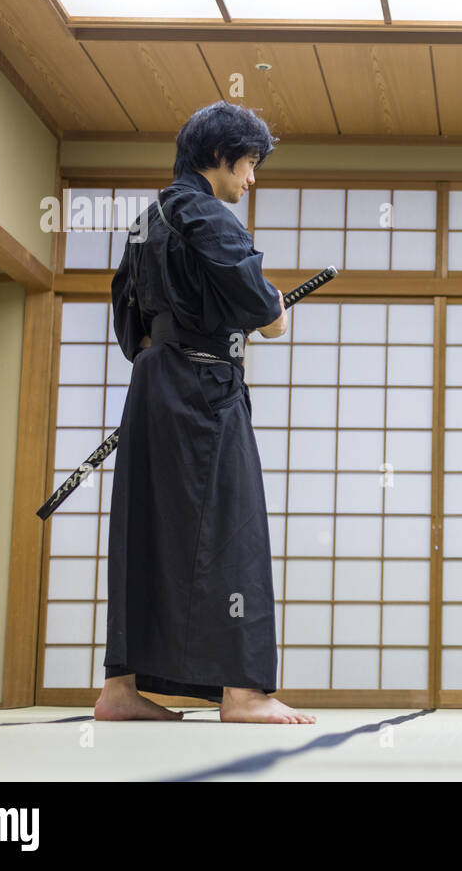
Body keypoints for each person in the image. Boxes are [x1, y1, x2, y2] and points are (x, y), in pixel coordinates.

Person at [95, 100, 315, 724]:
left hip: (152, 385)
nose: (252, 179)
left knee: (146, 529)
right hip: (205, 390)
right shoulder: (208, 215)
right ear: (220, 156)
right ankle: (243, 692)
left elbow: (128, 327)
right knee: (231, 527)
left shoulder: (146, 219)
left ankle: (119, 690)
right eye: (249, 164)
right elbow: (265, 315)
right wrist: (274, 310)